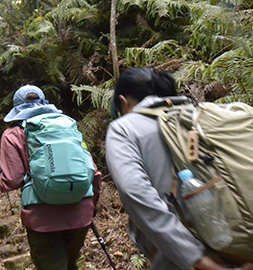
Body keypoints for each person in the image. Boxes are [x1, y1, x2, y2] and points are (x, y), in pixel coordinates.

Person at [106, 68, 253, 270]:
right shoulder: (204, 115)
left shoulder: (124, 128)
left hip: (182, 259)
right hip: (241, 247)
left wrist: (197, 259)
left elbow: (135, 191)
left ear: (123, 101)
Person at [0, 85, 101, 270]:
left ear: (17, 107)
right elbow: (93, 171)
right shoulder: (68, 125)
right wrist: (92, 203)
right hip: (80, 210)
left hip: (42, 218)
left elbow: (12, 180)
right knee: (70, 264)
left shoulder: (13, 134)